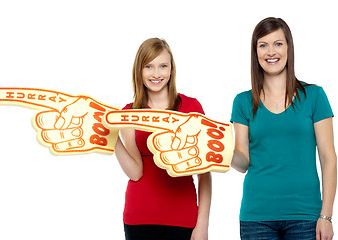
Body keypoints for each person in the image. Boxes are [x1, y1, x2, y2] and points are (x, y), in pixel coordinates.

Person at [231, 17, 336, 239]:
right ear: (255, 51)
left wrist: (326, 216)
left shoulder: (314, 96)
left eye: (278, 43)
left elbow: (328, 158)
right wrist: (219, 151)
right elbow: (242, 163)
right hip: (256, 217)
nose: (271, 51)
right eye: (263, 45)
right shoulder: (242, 102)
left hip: (306, 216)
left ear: (289, 47)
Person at [114, 38, 212, 240]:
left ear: (171, 69)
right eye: (148, 66)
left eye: (162, 66)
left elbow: (204, 173)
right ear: (139, 71)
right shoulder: (128, 113)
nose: (156, 74)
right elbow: (135, 172)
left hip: (183, 217)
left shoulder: (191, 108)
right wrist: (112, 140)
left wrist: (202, 225)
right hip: (139, 218)